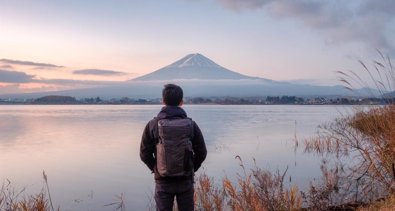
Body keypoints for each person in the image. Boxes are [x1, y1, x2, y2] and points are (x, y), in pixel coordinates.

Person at [140, 84, 207, 211]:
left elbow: (144, 154)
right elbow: (202, 152)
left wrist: (156, 168)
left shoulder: (153, 125)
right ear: (182, 102)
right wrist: (191, 167)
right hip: (185, 180)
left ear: (163, 101)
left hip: (163, 181)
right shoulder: (191, 124)